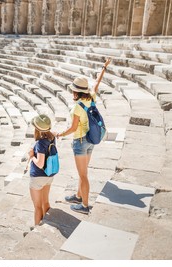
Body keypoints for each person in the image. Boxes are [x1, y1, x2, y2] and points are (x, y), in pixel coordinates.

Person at [57, 59, 111, 214]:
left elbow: (73, 128)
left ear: (76, 92)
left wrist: (60, 133)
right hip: (91, 139)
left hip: (80, 141)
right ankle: (78, 196)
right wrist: (104, 67)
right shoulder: (92, 97)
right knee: (83, 171)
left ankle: (85, 206)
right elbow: (97, 83)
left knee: (83, 175)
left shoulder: (77, 107)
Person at [28, 114, 57, 225]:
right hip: (49, 175)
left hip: (38, 177)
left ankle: (37, 228)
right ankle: (47, 222)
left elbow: (40, 163)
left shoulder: (40, 143)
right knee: (45, 202)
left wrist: (32, 156)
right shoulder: (52, 137)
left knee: (37, 206)